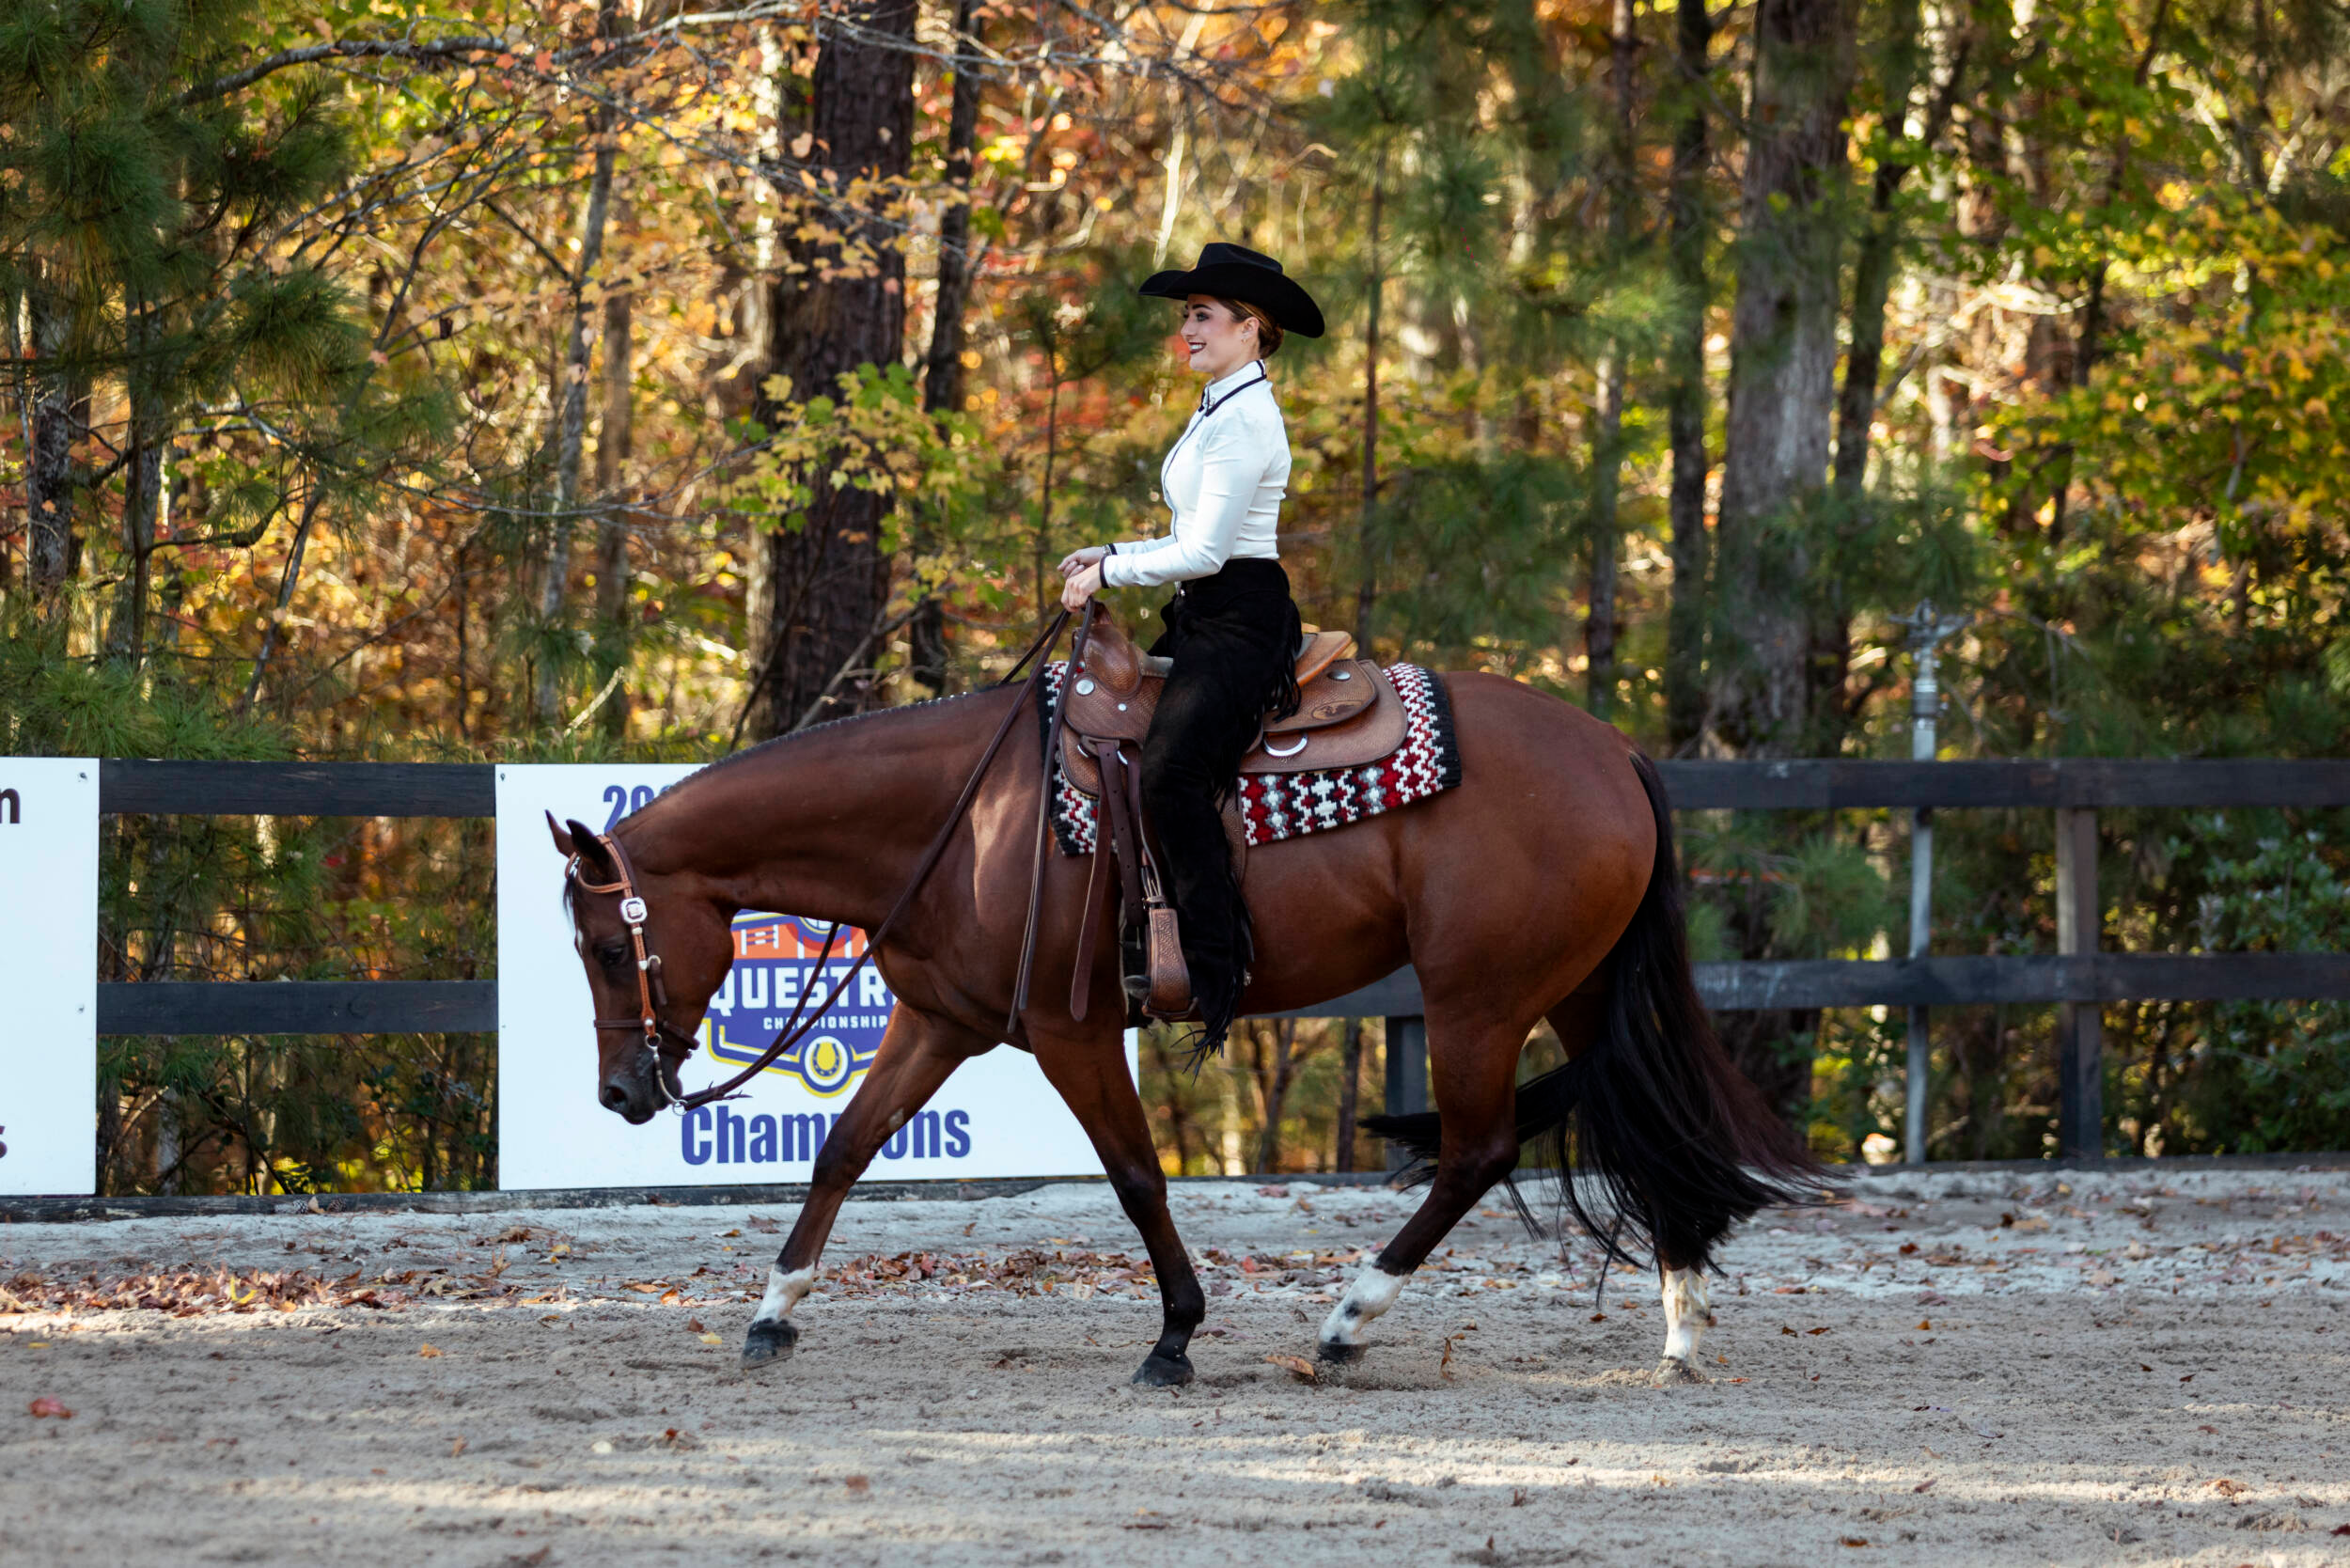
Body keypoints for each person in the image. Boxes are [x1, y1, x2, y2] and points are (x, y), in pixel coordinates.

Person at [1057, 242, 1326, 1056]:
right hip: (1203, 611)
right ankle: (1134, 926)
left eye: (1203, 316)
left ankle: (1213, 968)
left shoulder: (1244, 418)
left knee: (1172, 775)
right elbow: (1195, 537)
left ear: (1253, 328)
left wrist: (1111, 570)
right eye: (1187, 317)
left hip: (1239, 619)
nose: (1189, 331)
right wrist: (1113, 550)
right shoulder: (1218, 405)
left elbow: (1208, 552)